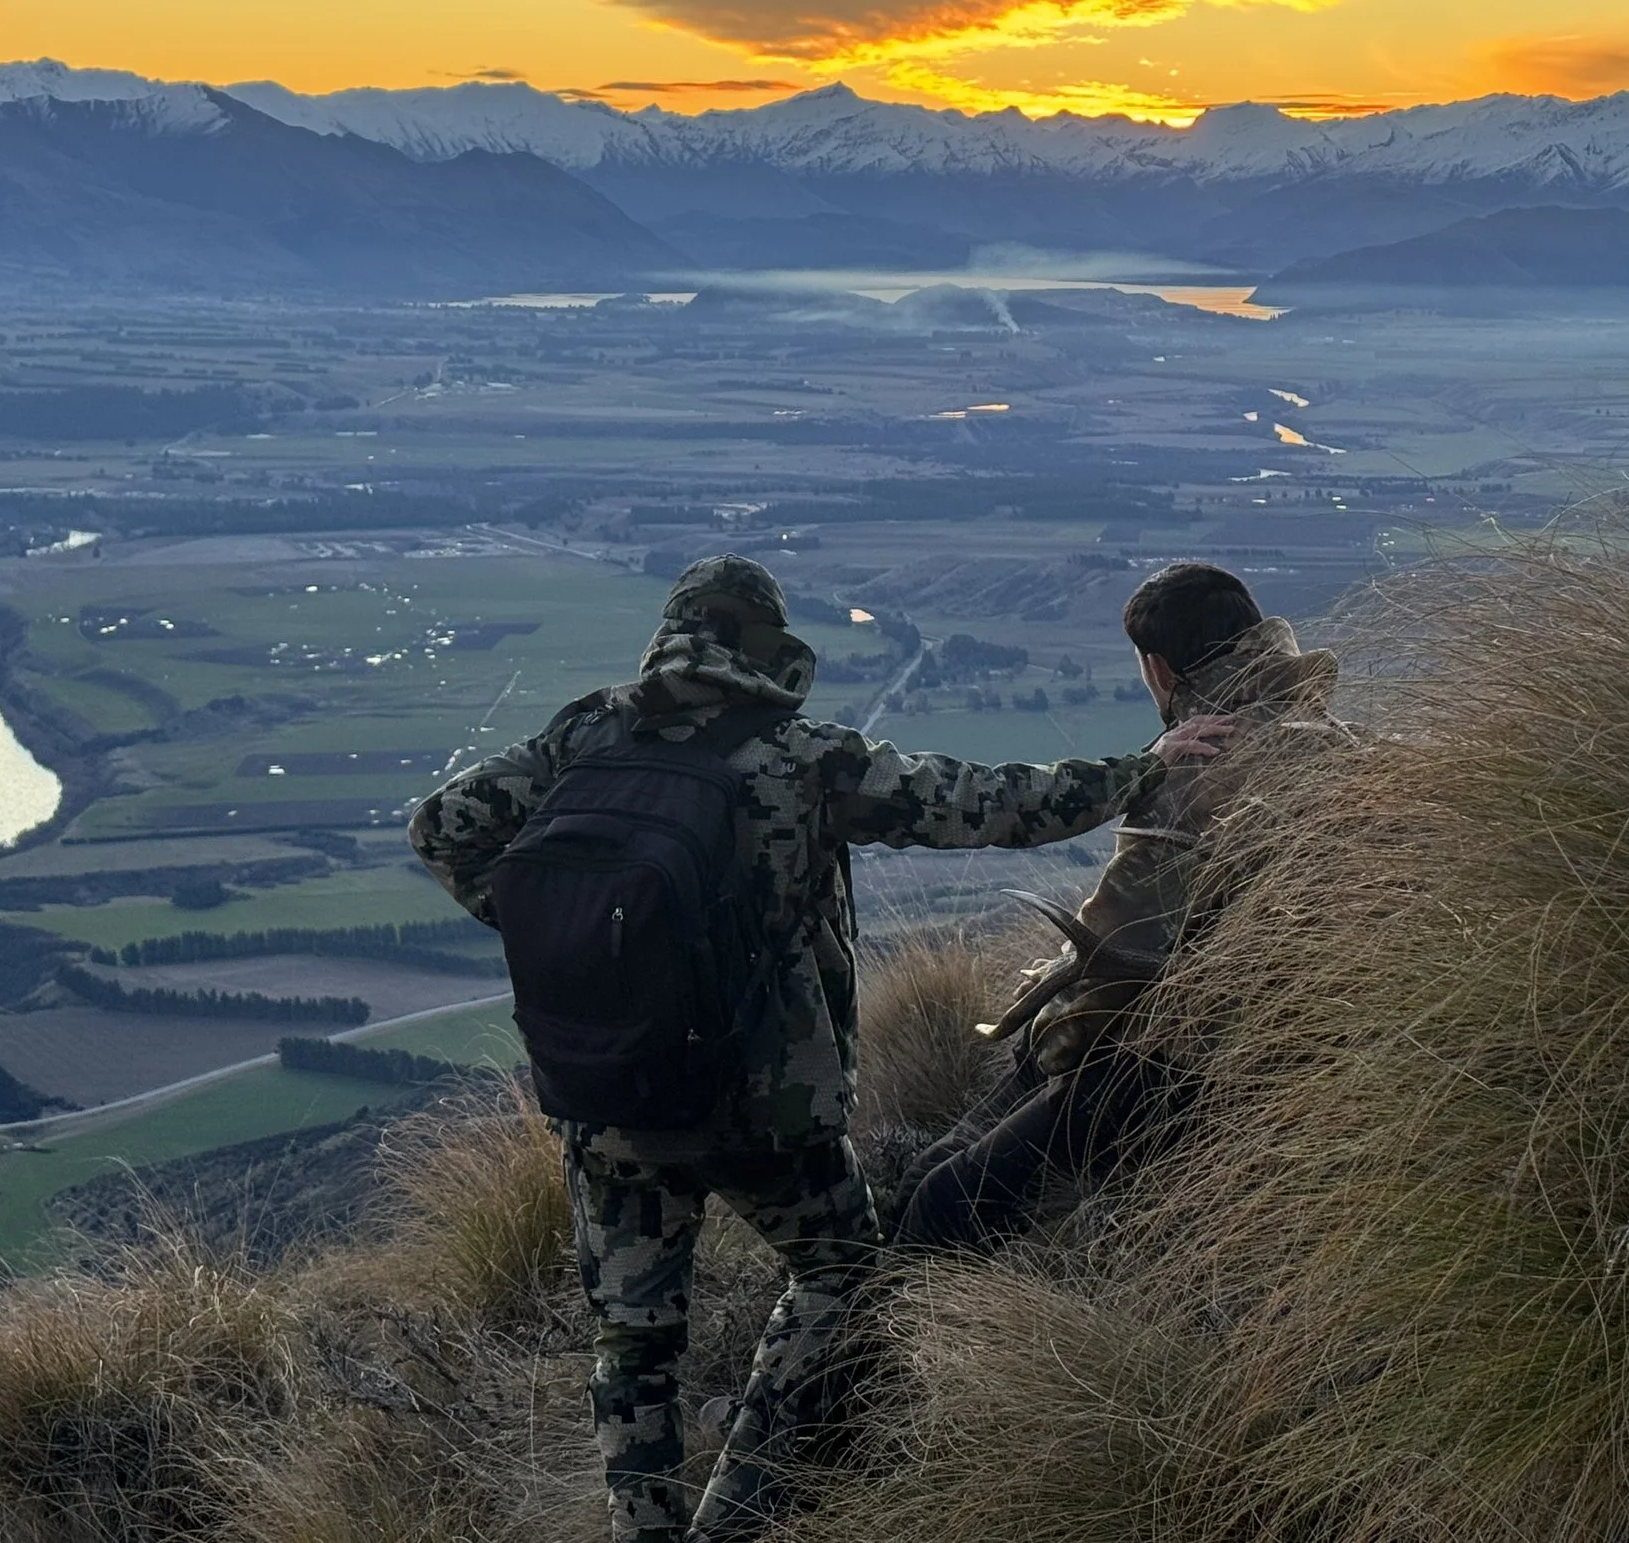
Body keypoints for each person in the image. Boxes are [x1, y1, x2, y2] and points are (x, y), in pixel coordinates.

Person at [409, 554, 1231, 1543]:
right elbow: (988, 805)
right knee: (841, 1273)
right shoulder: (800, 757)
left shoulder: (585, 735)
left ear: (670, 635)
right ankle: (740, 1511)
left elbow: (439, 826)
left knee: (633, 1342)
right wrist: (1147, 765)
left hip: (612, 1093)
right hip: (768, 1105)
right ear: (764, 645)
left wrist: (562, 933)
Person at [896, 560, 1345, 1252]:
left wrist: (1041, 1049)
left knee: (939, 1201)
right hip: (1319, 1050)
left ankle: (866, 1351)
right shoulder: (1337, 742)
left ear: (1159, 669)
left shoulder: (1194, 766)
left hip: (1187, 1059)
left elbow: (1117, 955)